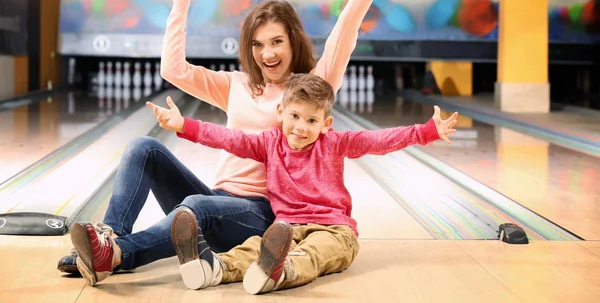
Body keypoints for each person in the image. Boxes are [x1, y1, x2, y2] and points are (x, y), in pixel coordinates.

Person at [60, 0, 392, 287]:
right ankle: (110, 240)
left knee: (197, 208)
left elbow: (347, 26)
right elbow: (174, 71)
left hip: (261, 214)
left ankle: (120, 255)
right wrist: (181, 3)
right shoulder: (236, 84)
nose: (267, 53)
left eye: (276, 42)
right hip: (216, 199)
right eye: (257, 43)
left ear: (293, 41)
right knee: (144, 148)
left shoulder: (311, 86)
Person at [146, 73, 459, 294]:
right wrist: (185, 124)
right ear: (281, 113)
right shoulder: (270, 143)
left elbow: (377, 140)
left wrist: (425, 132)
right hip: (285, 230)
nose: (301, 127)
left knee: (314, 253)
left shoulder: (335, 143)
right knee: (253, 248)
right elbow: (230, 139)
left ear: (326, 124)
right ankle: (211, 269)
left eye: (312, 121)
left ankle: (280, 274)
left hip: (334, 230)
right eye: (295, 116)